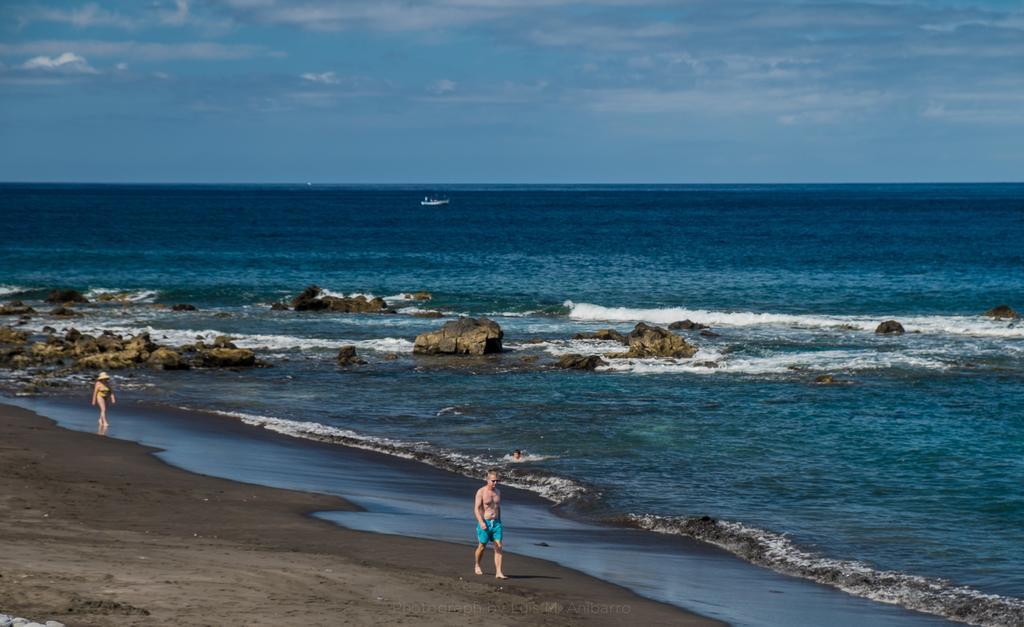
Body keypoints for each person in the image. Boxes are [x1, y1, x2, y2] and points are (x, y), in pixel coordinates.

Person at [473, 469, 507, 579]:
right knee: (482, 546)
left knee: (498, 546)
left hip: (496, 523)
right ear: (487, 480)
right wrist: (481, 522)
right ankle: (477, 564)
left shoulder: (498, 492)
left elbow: (498, 507)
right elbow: (476, 509)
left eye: (496, 481)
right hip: (485, 523)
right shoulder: (481, 492)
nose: (495, 483)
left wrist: (500, 522)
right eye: (493, 481)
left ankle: (498, 572)